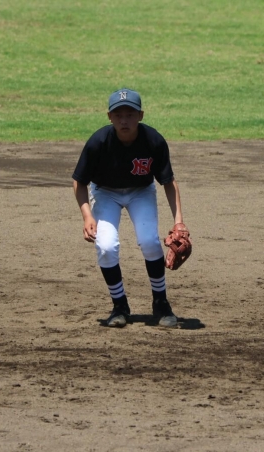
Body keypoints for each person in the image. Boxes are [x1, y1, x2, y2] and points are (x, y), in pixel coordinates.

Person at [72, 88, 185, 328]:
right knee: (106, 246)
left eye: (130, 114)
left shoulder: (153, 141)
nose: (124, 120)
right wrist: (87, 216)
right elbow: (79, 182)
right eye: (118, 115)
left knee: (150, 241)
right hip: (105, 192)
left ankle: (161, 303)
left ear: (141, 115)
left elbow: (168, 182)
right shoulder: (98, 142)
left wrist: (179, 222)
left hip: (140, 191)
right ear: (109, 117)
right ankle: (119, 306)